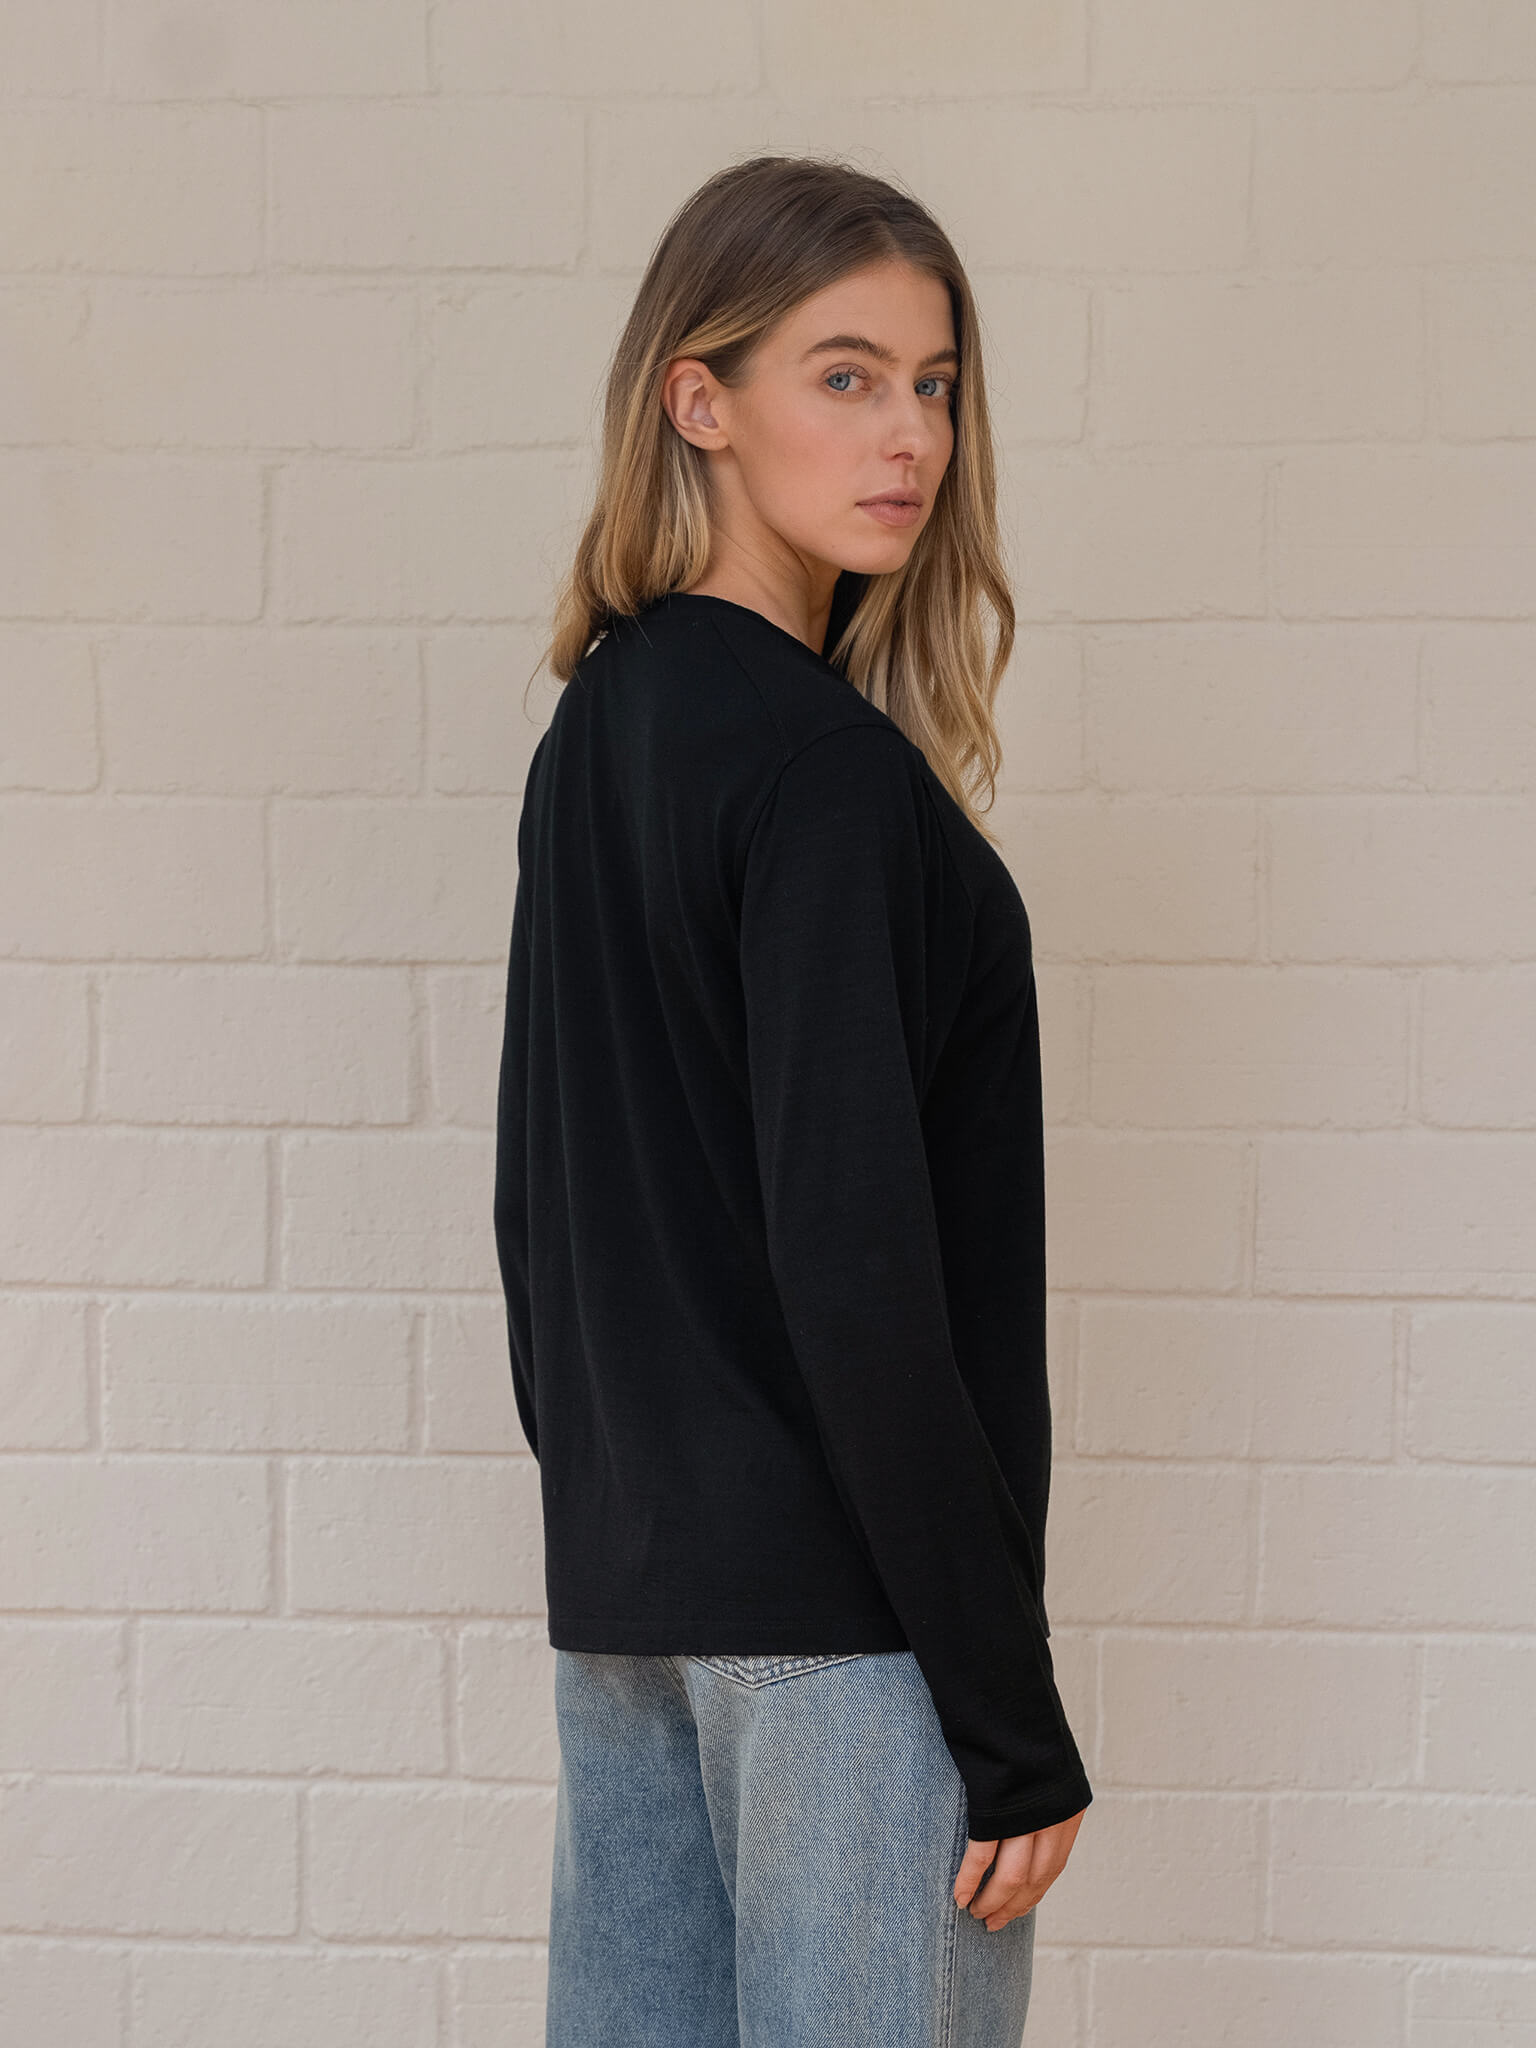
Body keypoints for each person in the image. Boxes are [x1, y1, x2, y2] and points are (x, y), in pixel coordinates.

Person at [493, 153, 1092, 2047]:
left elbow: (541, 1217)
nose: (907, 431)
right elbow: (858, 1265)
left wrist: (625, 1515)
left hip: (634, 1616)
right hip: (848, 1633)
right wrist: (1006, 1719)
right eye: (843, 374)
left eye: (932, 381)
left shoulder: (602, 723)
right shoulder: (824, 774)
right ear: (704, 400)